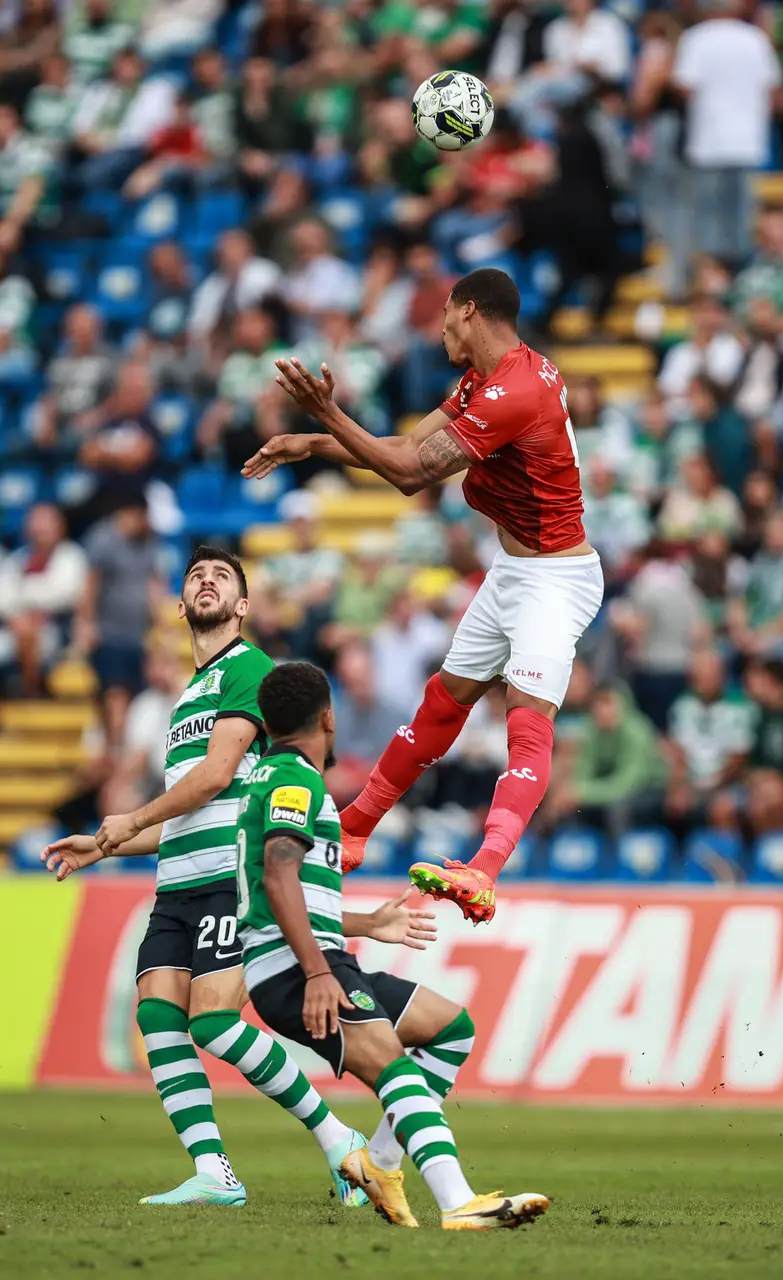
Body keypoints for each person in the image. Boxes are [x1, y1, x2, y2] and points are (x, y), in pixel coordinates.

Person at [248, 267, 601, 925]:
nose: (436, 327)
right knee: (444, 700)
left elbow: (409, 475)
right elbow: (407, 446)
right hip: (515, 571)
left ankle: (485, 870)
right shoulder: (488, 380)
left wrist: (327, 412)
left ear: (470, 311)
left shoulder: (515, 391)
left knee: (526, 716)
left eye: (444, 313)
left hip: (557, 578)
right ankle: (352, 830)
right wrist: (317, 442)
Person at [39, 547, 371, 1208]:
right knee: (159, 1016)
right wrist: (106, 846)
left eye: (223, 576)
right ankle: (214, 1170)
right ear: (180, 603)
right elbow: (188, 812)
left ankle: (341, 1139)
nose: (208, 580)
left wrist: (128, 818)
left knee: (214, 1024)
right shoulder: (186, 693)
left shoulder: (247, 670)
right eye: (196, 575)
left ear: (243, 606)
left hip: (229, 878)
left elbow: (218, 776)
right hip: (177, 884)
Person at [227, 660, 548, 1230]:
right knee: (394, 1070)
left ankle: (377, 1164)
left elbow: (284, 890)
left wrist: (365, 924)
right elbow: (277, 879)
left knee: (450, 1029)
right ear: (329, 719)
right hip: (300, 971)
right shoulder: (295, 782)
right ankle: (458, 1203)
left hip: (306, 960)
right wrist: (320, 973)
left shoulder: (271, 777)